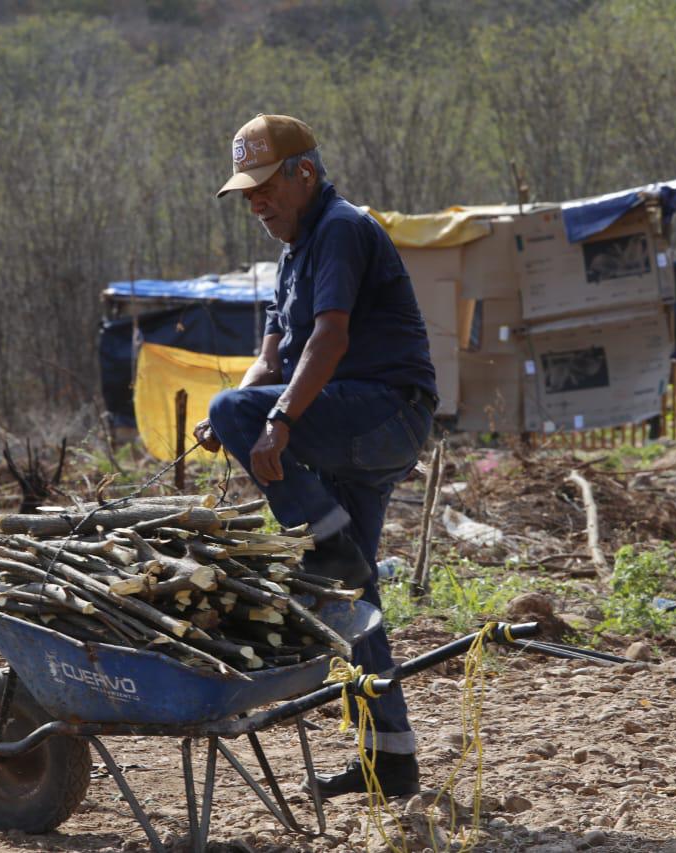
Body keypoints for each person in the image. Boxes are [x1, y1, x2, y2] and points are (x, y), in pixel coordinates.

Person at [194, 114, 437, 798]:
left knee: (335, 563)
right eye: (246, 194)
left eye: (265, 187)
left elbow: (328, 339)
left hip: (385, 410)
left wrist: (268, 418)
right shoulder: (295, 253)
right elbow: (272, 355)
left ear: (305, 172)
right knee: (351, 596)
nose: (256, 203)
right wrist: (239, 411)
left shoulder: (340, 229)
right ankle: (390, 758)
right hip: (358, 422)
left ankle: (326, 541)